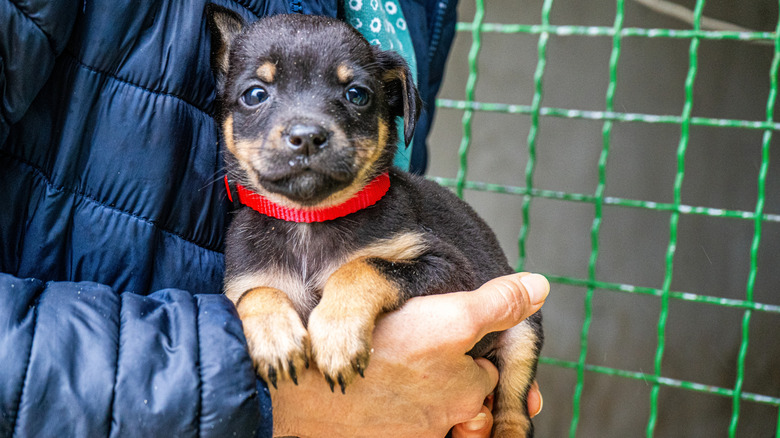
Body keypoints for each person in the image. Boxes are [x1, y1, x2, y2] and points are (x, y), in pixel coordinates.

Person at [0, 0, 544, 436]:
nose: (304, 128)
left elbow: (448, 280)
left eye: (353, 95)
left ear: (396, 109)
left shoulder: (420, 15)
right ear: (226, 103)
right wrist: (273, 391)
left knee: (520, 333)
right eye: (258, 95)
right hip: (147, 392)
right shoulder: (247, 247)